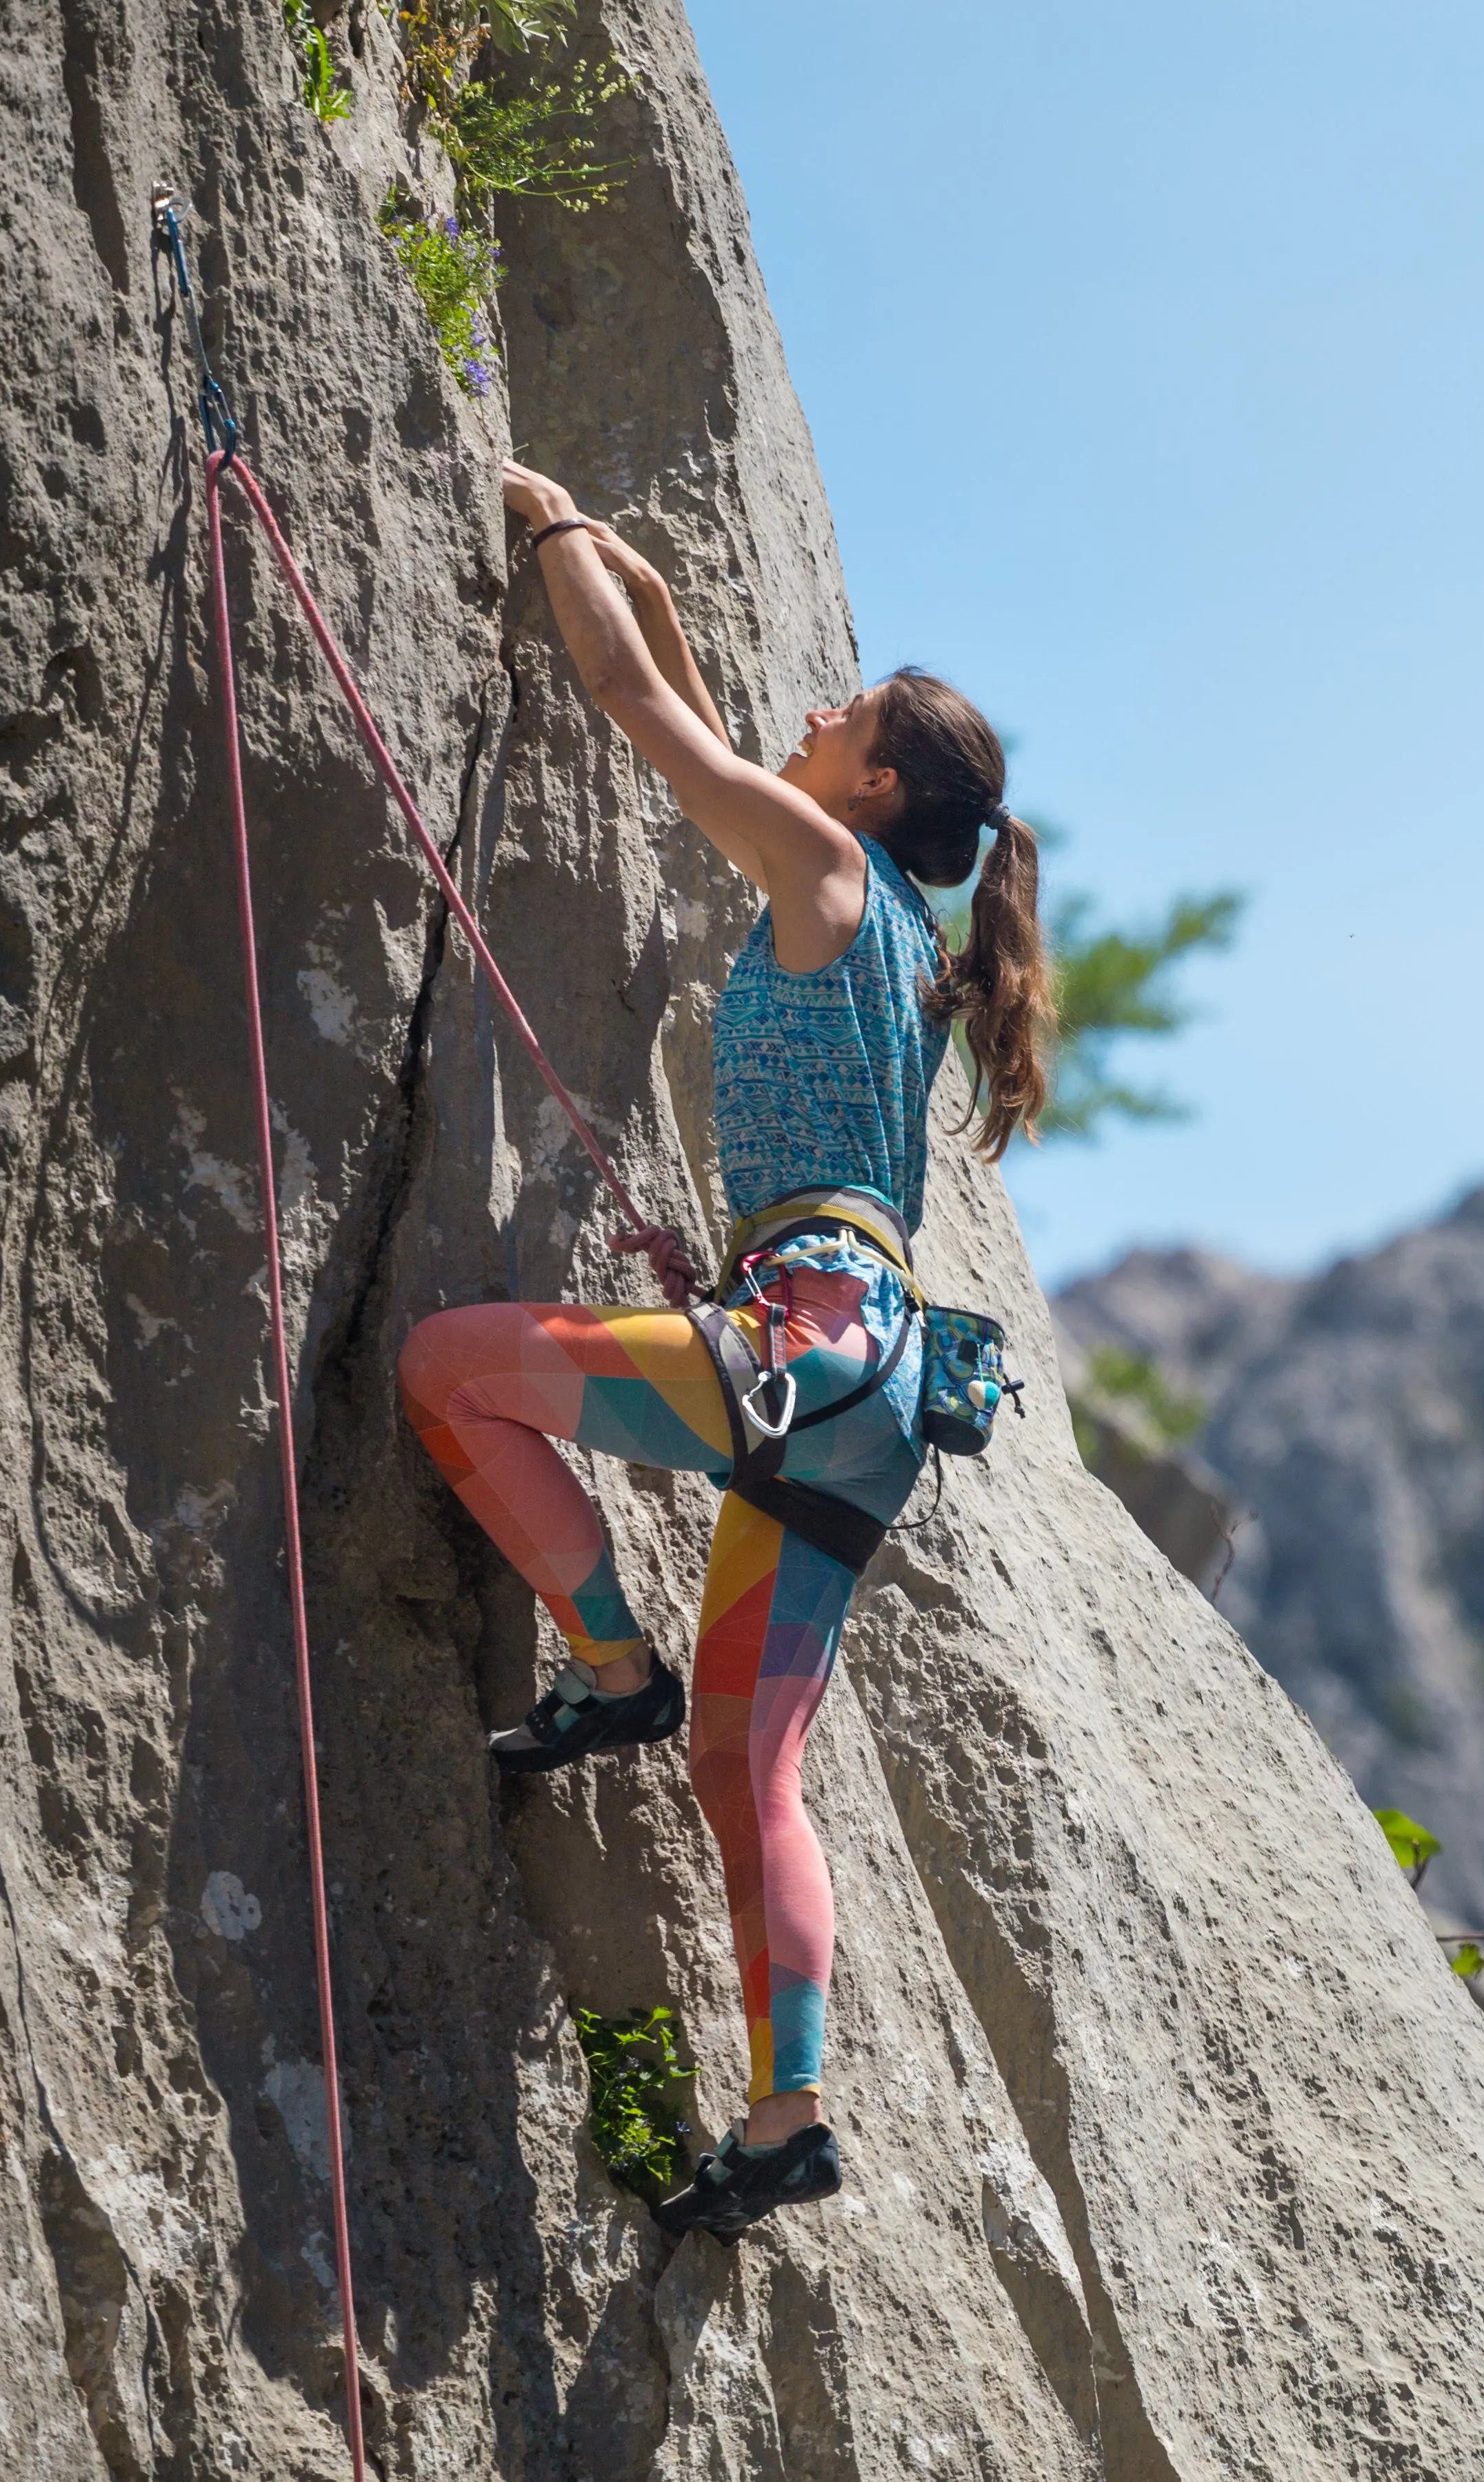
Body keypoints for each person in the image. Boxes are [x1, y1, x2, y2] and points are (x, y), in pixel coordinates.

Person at [397, 460, 1052, 2239]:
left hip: (805, 1336)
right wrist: (638, 570)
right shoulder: (899, 921)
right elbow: (690, 698)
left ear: (879, 782)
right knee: (746, 1770)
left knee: (452, 1366)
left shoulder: (825, 860)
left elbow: (634, 709)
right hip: (877, 1389)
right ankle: (785, 2115)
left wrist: (543, 535)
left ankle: (606, 1666)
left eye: (843, 712)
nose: (814, 711)